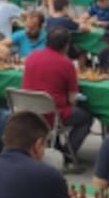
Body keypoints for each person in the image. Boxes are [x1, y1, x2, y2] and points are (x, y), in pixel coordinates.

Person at [21, 27, 93, 158]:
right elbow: (72, 99)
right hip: (53, 115)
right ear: (66, 46)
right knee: (86, 118)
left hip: (28, 111)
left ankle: (57, 145)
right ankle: (67, 155)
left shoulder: (31, 56)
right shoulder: (66, 64)